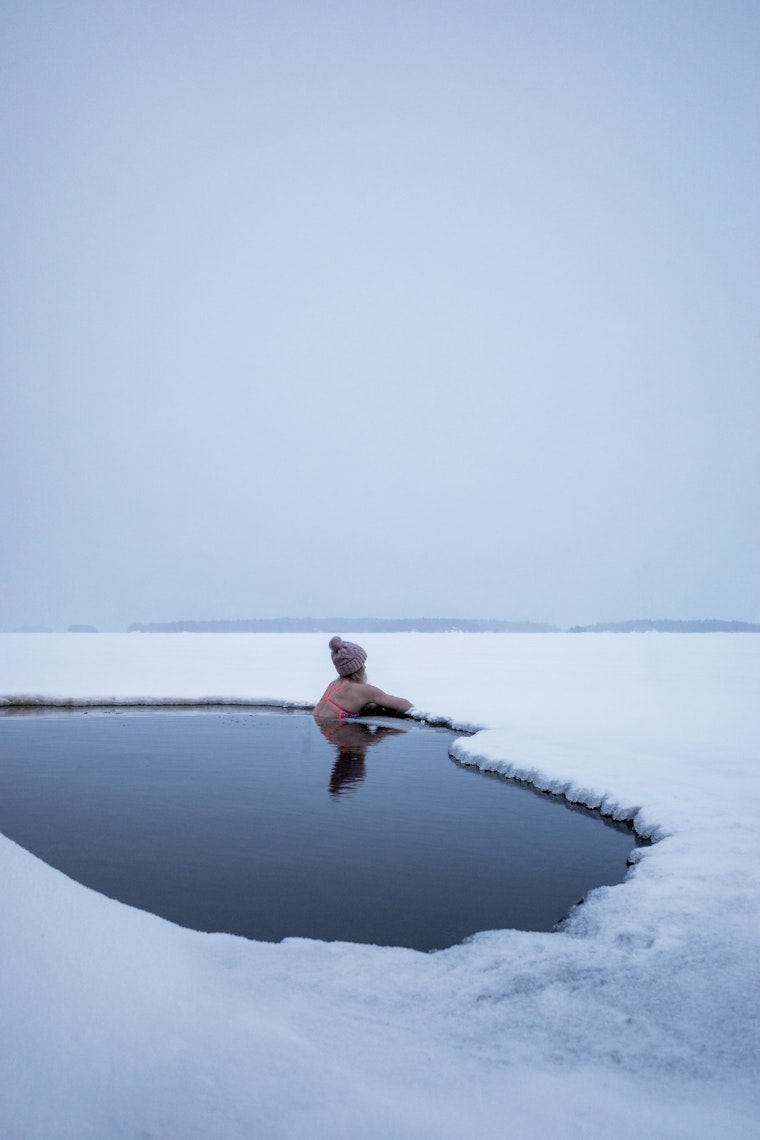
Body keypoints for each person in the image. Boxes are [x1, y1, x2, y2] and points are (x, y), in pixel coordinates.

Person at [312, 636, 412, 721]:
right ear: (358, 667)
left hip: (325, 733)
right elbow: (403, 705)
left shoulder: (333, 685)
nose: (365, 667)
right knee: (384, 733)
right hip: (340, 733)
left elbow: (348, 703)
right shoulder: (363, 690)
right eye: (363, 664)